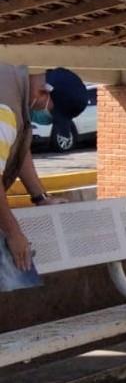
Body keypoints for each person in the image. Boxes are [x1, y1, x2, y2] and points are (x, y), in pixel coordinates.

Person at [1, 65, 70, 274]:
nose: (46, 118)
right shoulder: (5, 111)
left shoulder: (14, 90)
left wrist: (40, 197)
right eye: (49, 111)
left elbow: (18, 151)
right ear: (44, 92)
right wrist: (13, 233)